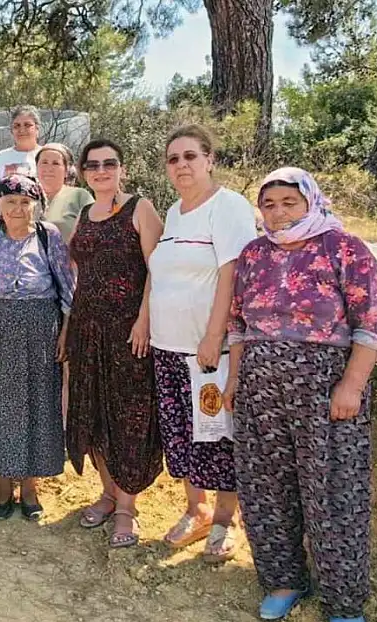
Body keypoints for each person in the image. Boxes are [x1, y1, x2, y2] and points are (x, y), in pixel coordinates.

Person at [226, 168, 377, 622]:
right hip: (260, 386)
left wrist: (352, 385)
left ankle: (344, 602)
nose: (277, 213)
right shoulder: (254, 254)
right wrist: (236, 381)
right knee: (265, 487)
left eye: (288, 203)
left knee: (333, 491)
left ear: (310, 201)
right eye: (269, 204)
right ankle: (284, 580)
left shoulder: (344, 248)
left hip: (326, 389)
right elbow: (238, 325)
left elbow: (370, 324)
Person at [148, 125, 257, 562]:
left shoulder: (228, 207)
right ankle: (196, 509)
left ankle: (225, 523)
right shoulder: (174, 213)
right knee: (182, 435)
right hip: (167, 346)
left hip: (207, 353)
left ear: (209, 159)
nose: (181, 165)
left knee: (217, 435)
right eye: (173, 159)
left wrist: (215, 336)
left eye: (190, 156)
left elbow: (232, 276)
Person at [65, 139, 164, 549]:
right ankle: (108, 493)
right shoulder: (85, 214)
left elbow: (158, 270)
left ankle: (127, 506)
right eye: (93, 165)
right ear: (84, 172)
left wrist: (144, 320)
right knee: (93, 414)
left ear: (122, 168)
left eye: (110, 164)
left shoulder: (140, 209)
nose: (102, 171)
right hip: (87, 330)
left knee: (129, 416)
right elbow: (77, 275)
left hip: (129, 333)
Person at [0, 174, 75, 521]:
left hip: (39, 326)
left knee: (36, 403)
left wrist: (65, 333)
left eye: (24, 201)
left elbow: (66, 288)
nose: (17, 208)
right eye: (9, 201)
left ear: (35, 204)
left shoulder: (48, 236)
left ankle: (29, 486)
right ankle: (2, 485)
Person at [35, 142, 93, 243]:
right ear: (37, 167)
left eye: (56, 163)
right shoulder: (25, 198)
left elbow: (96, 230)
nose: (49, 168)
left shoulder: (79, 196)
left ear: (66, 171)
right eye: (44, 162)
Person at [0, 105, 43, 187]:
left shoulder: (46, 155)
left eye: (27, 125)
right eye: (17, 126)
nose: (22, 130)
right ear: (12, 130)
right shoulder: (2, 157)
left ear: (37, 128)